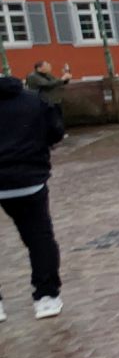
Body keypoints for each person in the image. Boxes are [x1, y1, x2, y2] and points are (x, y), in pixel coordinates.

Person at [0, 70, 67, 320]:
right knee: (39, 238)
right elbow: (56, 132)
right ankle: (46, 297)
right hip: (29, 180)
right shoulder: (34, 101)